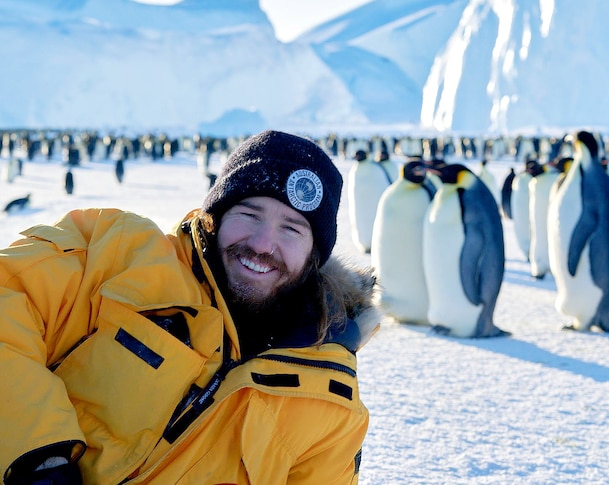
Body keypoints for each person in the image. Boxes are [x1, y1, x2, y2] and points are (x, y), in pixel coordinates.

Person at [0, 130, 380, 484]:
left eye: (291, 228)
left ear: (315, 253)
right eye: (249, 214)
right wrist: (39, 458)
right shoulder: (118, 253)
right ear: (215, 217)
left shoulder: (330, 402)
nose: (263, 244)